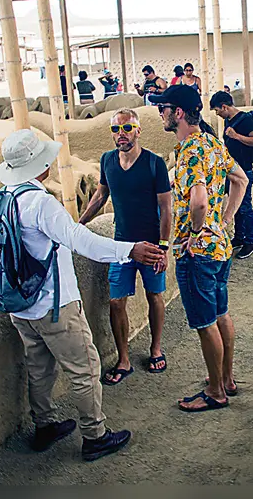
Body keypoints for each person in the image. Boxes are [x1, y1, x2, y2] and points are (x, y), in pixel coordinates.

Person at [0, 128, 164, 460]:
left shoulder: (2, 198)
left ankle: (45, 426)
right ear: (38, 165)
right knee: (85, 368)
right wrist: (130, 250)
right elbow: (80, 240)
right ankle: (95, 435)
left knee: (39, 368)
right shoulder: (40, 203)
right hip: (54, 305)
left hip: (20, 306)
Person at [148, 84, 249, 412]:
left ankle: (216, 392)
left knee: (206, 323)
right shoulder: (212, 142)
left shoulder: (190, 149)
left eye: (163, 108)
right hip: (219, 247)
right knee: (221, 314)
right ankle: (227, 379)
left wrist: (194, 232)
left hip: (198, 252)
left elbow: (199, 201)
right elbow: (240, 180)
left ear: (177, 113)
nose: (160, 113)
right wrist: (225, 220)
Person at [78, 109, 173, 385]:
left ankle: (156, 347)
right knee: (116, 301)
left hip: (152, 243)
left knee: (155, 296)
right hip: (121, 245)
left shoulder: (154, 164)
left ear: (138, 131)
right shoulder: (107, 161)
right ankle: (124, 358)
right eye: (116, 130)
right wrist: (79, 224)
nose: (121, 134)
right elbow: (100, 195)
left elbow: (165, 208)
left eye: (127, 128)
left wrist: (164, 247)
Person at [210, 90, 253, 259]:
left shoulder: (246, 120)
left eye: (218, 110)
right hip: (231, 170)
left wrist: (236, 136)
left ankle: (250, 242)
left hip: (243, 170)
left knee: (245, 206)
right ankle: (239, 238)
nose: (217, 113)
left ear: (224, 106)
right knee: (236, 204)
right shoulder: (229, 120)